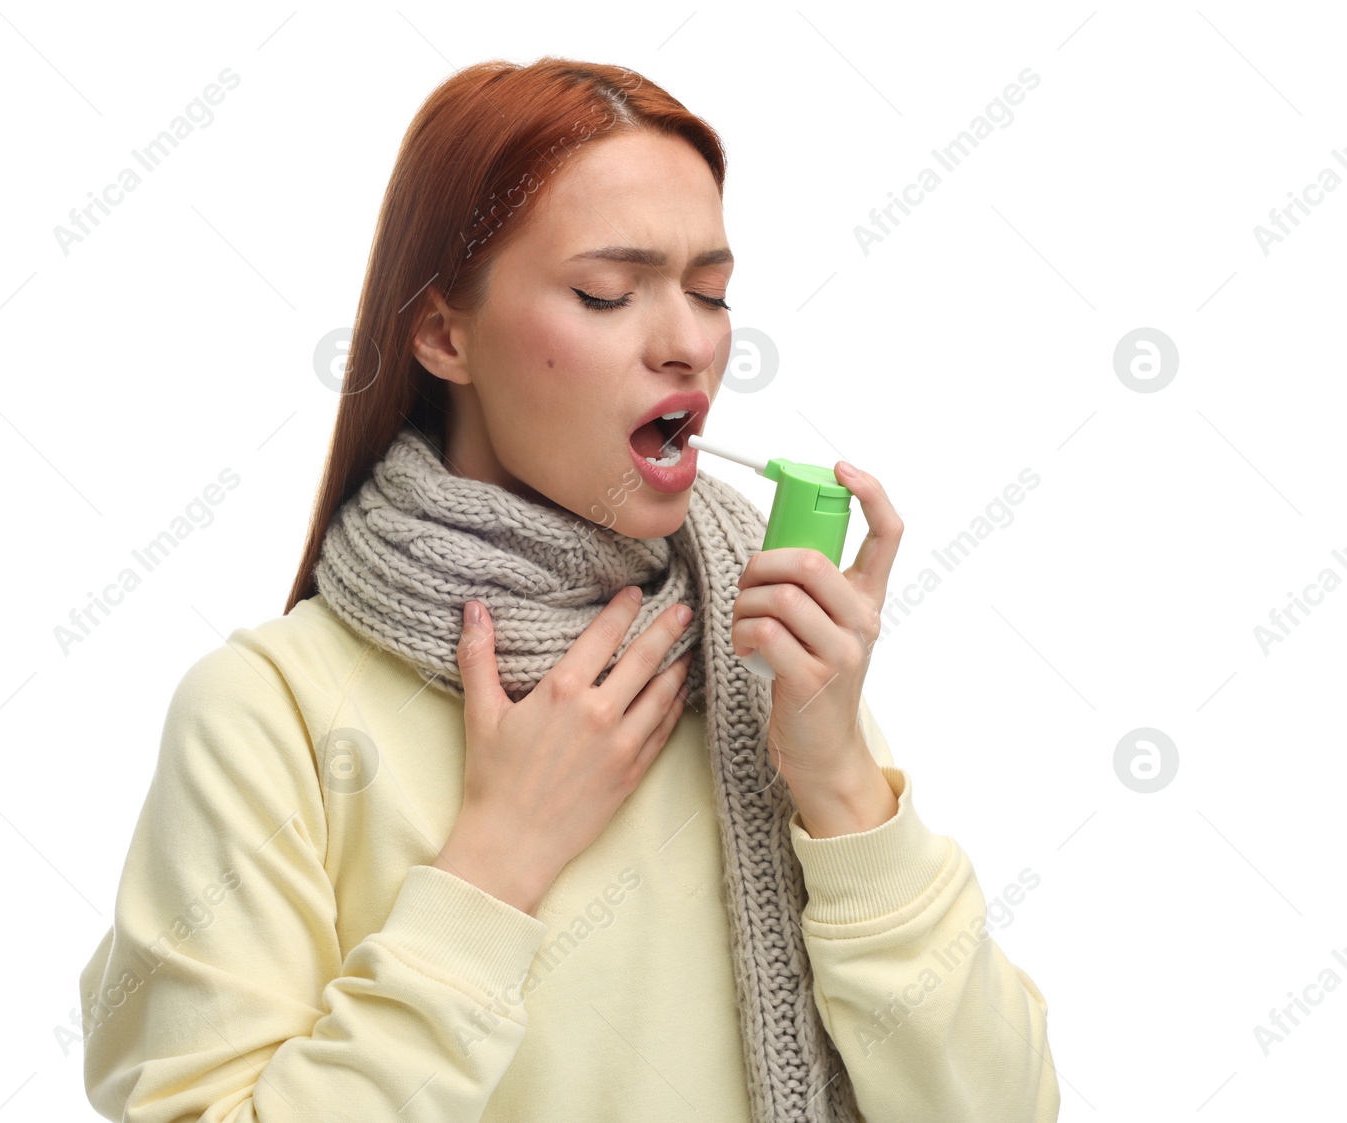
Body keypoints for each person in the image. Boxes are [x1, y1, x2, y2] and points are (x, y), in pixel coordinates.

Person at [78, 57, 1058, 1123]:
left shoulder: (758, 658)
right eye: (606, 292)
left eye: (712, 292)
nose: (688, 341)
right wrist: (496, 864)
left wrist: (839, 786)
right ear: (445, 333)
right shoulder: (271, 713)